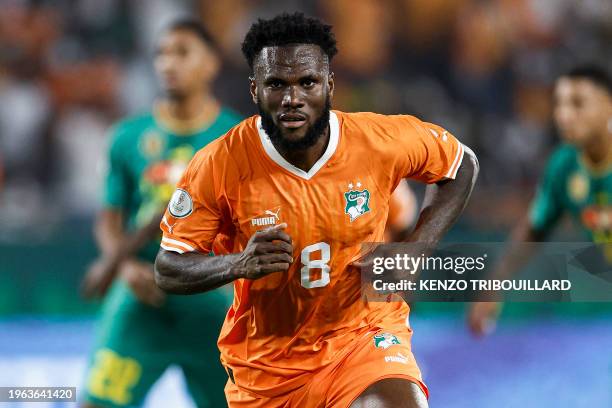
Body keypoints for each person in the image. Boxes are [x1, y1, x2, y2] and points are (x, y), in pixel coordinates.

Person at [155, 12, 478, 408]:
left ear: (329, 84)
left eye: (306, 82)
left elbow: (461, 164)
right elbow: (169, 266)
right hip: (268, 370)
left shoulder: (379, 140)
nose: (293, 98)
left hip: (363, 339)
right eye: (277, 84)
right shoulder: (219, 164)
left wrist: (414, 249)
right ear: (256, 90)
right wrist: (238, 263)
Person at [80, 19, 241, 407]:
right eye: (161, 54)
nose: (168, 63)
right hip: (142, 296)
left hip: (212, 304)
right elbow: (109, 218)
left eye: (182, 52)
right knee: (96, 402)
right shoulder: (127, 137)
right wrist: (121, 267)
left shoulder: (238, 138)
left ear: (211, 63)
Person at [468, 65, 612, 336]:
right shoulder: (564, 165)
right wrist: (494, 286)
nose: (564, 114)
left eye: (578, 103)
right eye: (559, 103)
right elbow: (535, 227)